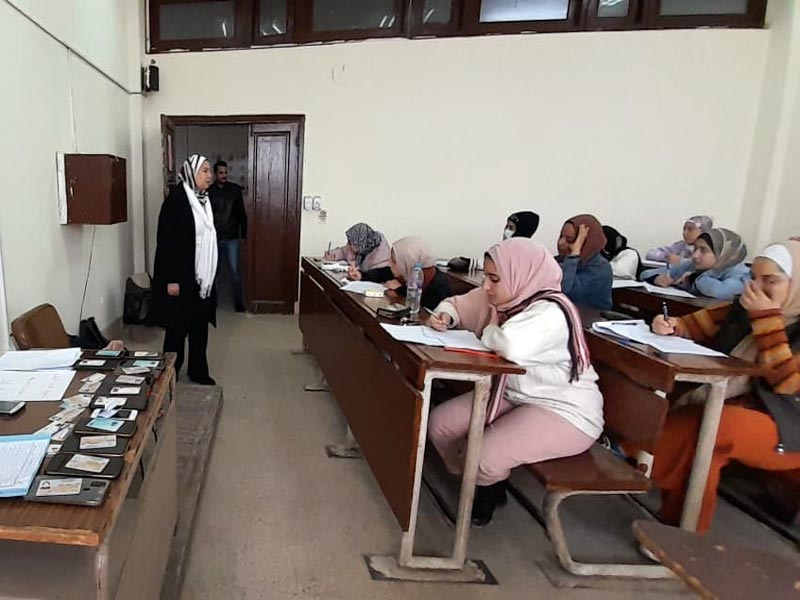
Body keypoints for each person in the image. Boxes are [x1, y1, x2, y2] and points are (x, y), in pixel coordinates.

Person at [427, 239, 603, 525]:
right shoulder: (504, 298)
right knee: (440, 425)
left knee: (483, 455)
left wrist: (490, 329)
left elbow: (510, 346)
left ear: (522, 276)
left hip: (564, 410)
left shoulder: (551, 312)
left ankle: (485, 480)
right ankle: (487, 482)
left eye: (494, 279)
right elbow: (457, 305)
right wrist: (447, 315)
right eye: (486, 277)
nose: (486, 286)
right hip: (515, 393)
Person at [648, 240, 800, 532]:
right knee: (693, 415)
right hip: (743, 405)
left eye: (771, 281)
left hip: (788, 423)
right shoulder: (742, 309)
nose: (756, 288)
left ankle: (682, 524)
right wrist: (670, 325)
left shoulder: (765, 314)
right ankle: (680, 523)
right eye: (753, 278)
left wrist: (766, 320)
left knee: (714, 427)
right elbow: (692, 325)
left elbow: (787, 385)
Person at [151, 155, 218, 385]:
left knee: (199, 327)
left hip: (201, 278)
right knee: (177, 329)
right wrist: (170, 279)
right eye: (205, 171)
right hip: (181, 277)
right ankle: (170, 372)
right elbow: (167, 243)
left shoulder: (204, 200)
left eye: (210, 171)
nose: (210, 176)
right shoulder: (176, 201)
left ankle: (198, 371)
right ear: (192, 173)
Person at [645, 228, 749, 300]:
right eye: (695, 248)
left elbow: (720, 291)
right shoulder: (691, 264)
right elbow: (645, 273)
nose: (695, 255)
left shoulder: (741, 273)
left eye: (703, 250)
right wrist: (656, 278)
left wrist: (693, 278)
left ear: (722, 253)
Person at [208, 161, 247, 313]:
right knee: (213, 272)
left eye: (225, 172)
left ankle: (239, 302)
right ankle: (211, 302)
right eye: (221, 173)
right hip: (214, 238)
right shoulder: (209, 191)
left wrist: (243, 235)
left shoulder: (235, 191)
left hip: (231, 237)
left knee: (235, 271)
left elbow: (242, 214)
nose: (224, 175)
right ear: (215, 173)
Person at [447, 211, 540, 273]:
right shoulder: (504, 250)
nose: (506, 231)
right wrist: (468, 262)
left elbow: (501, 267)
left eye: (511, 228)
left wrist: (469, 264)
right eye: (506, 227)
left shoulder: (528, 256)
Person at [556, 215, 613, 310]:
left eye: (569, 239)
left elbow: (565, 293)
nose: (560, 242)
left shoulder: (600, 268)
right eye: (561, 236)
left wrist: (574, 254)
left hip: (592, 319)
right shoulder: (562, 261)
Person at [386, 236, 451, 311]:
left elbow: (423, 313)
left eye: (394, 261)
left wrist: (399, 289)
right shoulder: (406, 272)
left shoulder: (439, 286)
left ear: (408, 262)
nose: (389, 264)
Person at [324, 223, 392, 283]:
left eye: (351, 243)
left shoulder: (381, 256)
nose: (349, 245)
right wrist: (333, 255)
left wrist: (359, 272)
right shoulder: (362, 245)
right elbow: (343, 251)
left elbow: (375, 277)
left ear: (360, 243)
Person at [646, 215, 713, 265]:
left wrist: (682, 262)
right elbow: (651, 254)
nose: (684, 233)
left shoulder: (710, 249)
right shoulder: (681, 245)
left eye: (690, 229)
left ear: (704, 232)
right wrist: (666, 257)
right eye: (684, 229)